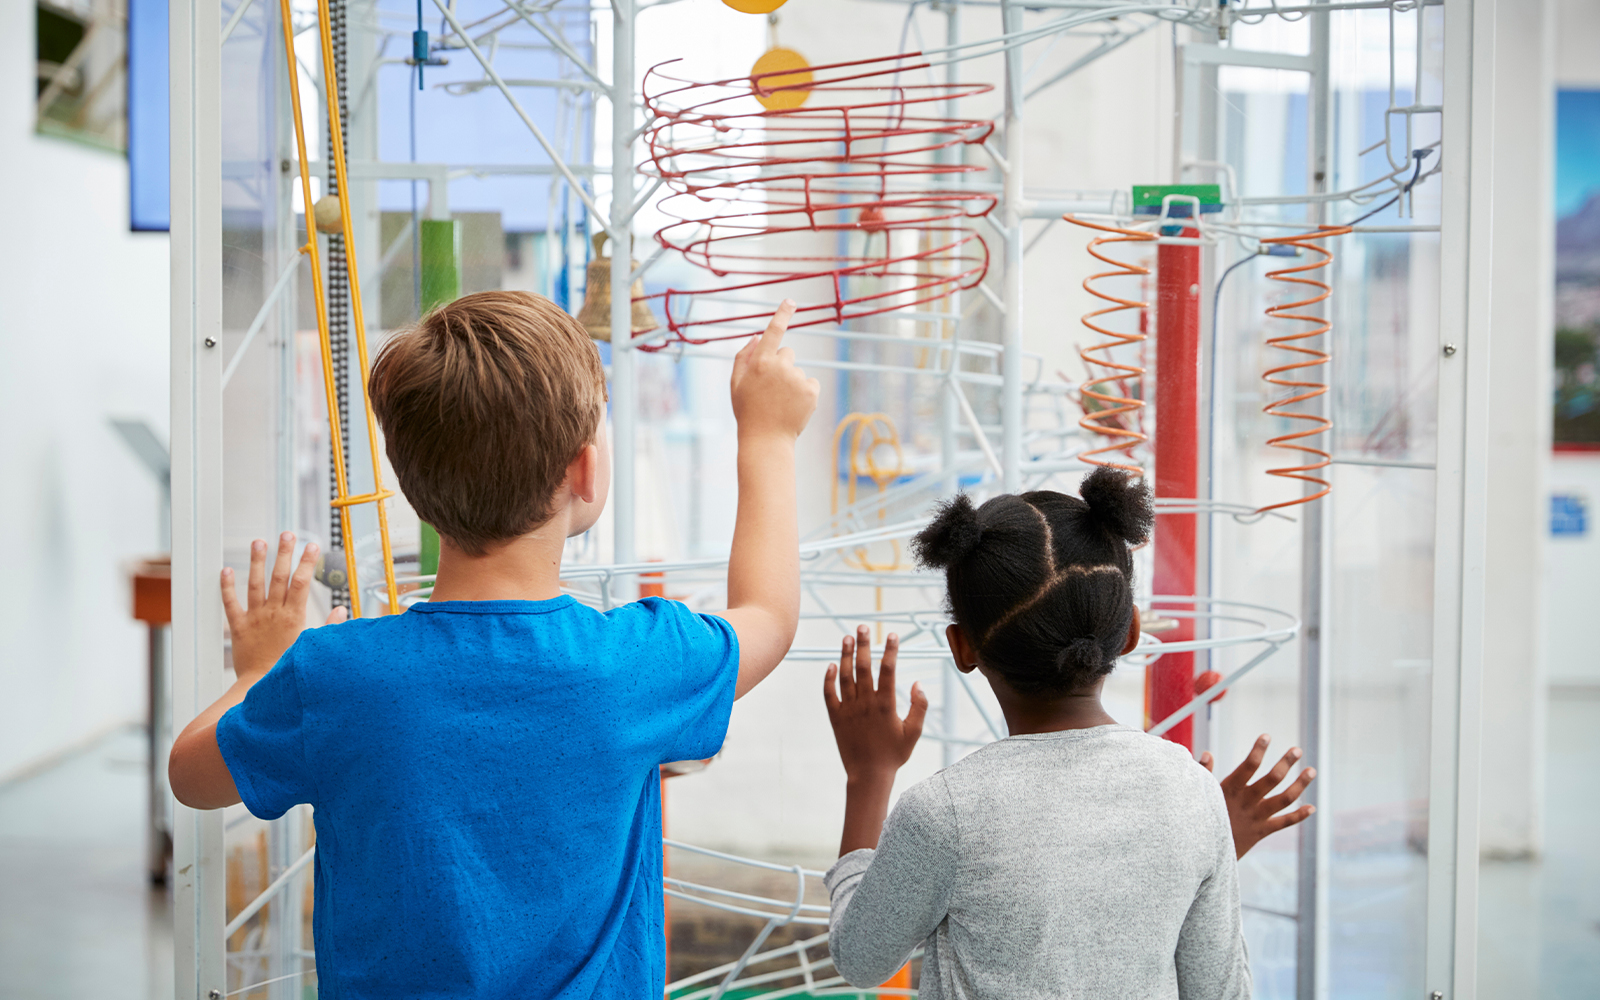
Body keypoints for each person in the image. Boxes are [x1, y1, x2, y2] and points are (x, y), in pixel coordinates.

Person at [167, 292, 819, 999]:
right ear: (584, 471)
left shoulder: (335, 675)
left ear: (414, 487)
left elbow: (190, 777)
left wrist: (260, 669)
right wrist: (768, 435)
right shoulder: (633, 665)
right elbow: (768, 614)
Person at [820, 467, 1316, 1000]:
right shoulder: (1192, 793)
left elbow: (862, 959)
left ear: (963, 647)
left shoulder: (946, 814)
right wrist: (1206, 845)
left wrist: (868, 778)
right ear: (1130, 631)